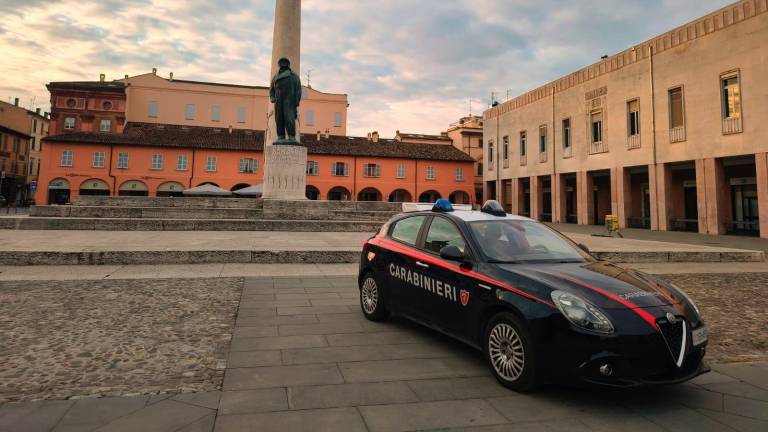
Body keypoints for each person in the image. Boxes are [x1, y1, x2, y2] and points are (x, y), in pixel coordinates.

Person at [269, 57, 303, 143]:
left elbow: (298, 91)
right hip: (278, 100)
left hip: (289, 101)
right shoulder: (275, 77)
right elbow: (271, 89)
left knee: (289, 118)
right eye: (281, 64)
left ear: (288, 65)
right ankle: (281, 136)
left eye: (284, 64)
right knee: (279, 118)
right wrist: (273, 98)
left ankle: (292, 136)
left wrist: (295, 102)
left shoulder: (294, 77)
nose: (283, 66)